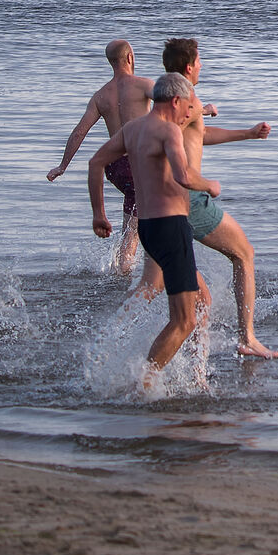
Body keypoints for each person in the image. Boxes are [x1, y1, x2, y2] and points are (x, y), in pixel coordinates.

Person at [131, 37, 278, 360]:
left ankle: (192, 366)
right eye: (199, 61)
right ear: (189, 67)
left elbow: (198, 134)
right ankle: (247, 337)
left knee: (186, 296)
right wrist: (203, 109)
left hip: (157, 204)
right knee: (244, 254)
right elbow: (183, 126)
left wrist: (247, 134)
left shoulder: (172, 100)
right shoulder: (188, 102)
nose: (202, 66)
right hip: (189, 199)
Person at [86, 73, 212, 379]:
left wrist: (99, 214)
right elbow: (183, 176)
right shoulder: (169, 131)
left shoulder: (133, 129)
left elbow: (95, 163)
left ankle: (197, 377)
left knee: (202, 300)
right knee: (184, 320)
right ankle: (144, 384)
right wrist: (210, 185)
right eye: (188, 106)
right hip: (171, 227)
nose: (189, 113)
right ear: (176, 100)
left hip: (148, 229)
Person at [47, 40, 155, 272]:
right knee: (134, 231)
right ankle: (123, 276)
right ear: (130, 57)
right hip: (138, 168)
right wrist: (202, 110)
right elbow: (175, 102)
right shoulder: (145, 85)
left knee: (135, 219)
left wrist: (62, 166)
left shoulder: (100, 96)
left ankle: (122, 270)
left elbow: (79, 132)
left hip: (115, 167)